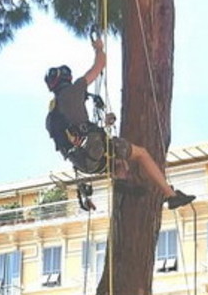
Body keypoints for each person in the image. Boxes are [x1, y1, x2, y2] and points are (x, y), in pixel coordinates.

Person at [45, 37, 195, 210]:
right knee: (141, 154)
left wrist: (103, 125)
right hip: (95, 150)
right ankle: (170, 195)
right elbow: (100, 65)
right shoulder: (76, 89)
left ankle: (122, 181)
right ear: (67, 79)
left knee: (118, 161)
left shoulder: (51, 117)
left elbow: (78, 133)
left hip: (84, 162)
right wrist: (99, 49)